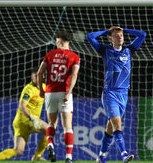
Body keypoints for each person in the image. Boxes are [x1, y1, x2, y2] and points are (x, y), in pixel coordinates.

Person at [86, 26, 146, 163]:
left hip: (123, 94)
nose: (120, 37)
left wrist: (124, 29)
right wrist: (107, 31)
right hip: (110, 93)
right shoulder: (105, 50)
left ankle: (101, 156)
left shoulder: (129, 50)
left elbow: (142, 34)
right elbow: (90, 36)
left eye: (121, 35)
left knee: (110, 128)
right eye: (116, 35)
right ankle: (124, 154)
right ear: (110, 38)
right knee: (117, 124)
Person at [0, 67, 49, 161]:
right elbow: (22, 106)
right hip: (27, 120)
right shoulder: (29, 89)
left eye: (37, 76)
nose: (35, 78)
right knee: (50, 130)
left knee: (18, 150)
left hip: (21, 123)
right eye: (33, 76)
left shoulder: (44, 87)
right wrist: (32, 118)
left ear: (42, 76)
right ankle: (37, 157)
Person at [37, 31, 80, 163]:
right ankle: (68, 157)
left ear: (60, 40)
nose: (56, 42)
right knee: (67, 126)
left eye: (56, 40)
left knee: (51, 123)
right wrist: (69, 92)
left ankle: (50, 144)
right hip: (64, 92)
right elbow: (74, 75)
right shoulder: (74, 57)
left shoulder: (50, 55)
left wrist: (41, 90)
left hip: (50, 92)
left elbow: (39, 73)